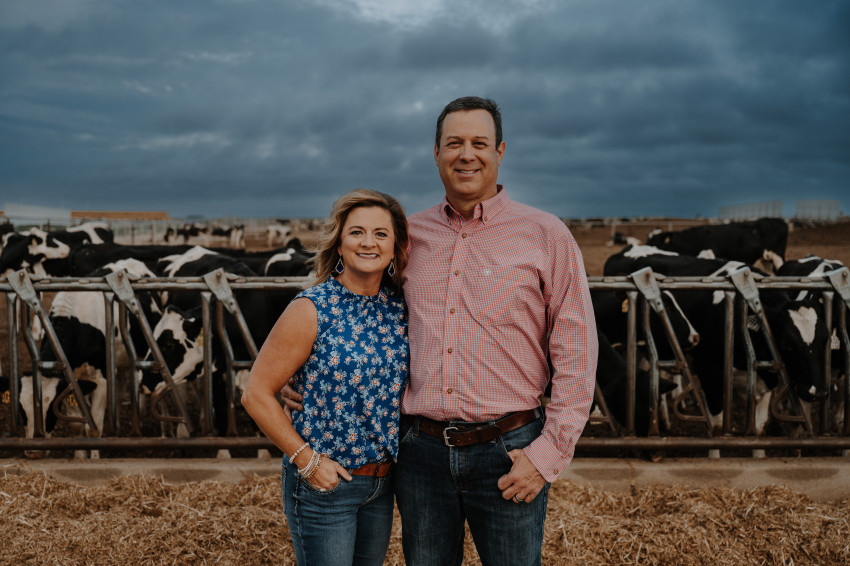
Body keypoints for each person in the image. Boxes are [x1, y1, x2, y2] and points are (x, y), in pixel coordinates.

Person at [285, 96, 598, 566]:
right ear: (436, 153)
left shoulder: (546, 235)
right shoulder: (408, 236)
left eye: (479, 143)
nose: (466, 154)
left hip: (511, 448)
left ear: (500, 151)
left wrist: (549, 453)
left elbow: (577, 352)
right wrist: (309, 373)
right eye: (454, 143)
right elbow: (363, 308)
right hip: (421, 453)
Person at [241, 189, 410, 566]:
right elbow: (255, 393)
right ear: (339, 242)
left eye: (381, 234)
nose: (369, 242)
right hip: (325, 484)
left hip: (382, 484)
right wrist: (308, 462)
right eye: (357, 232)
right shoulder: (312, 307)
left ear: (395, 245)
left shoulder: (400, 307)